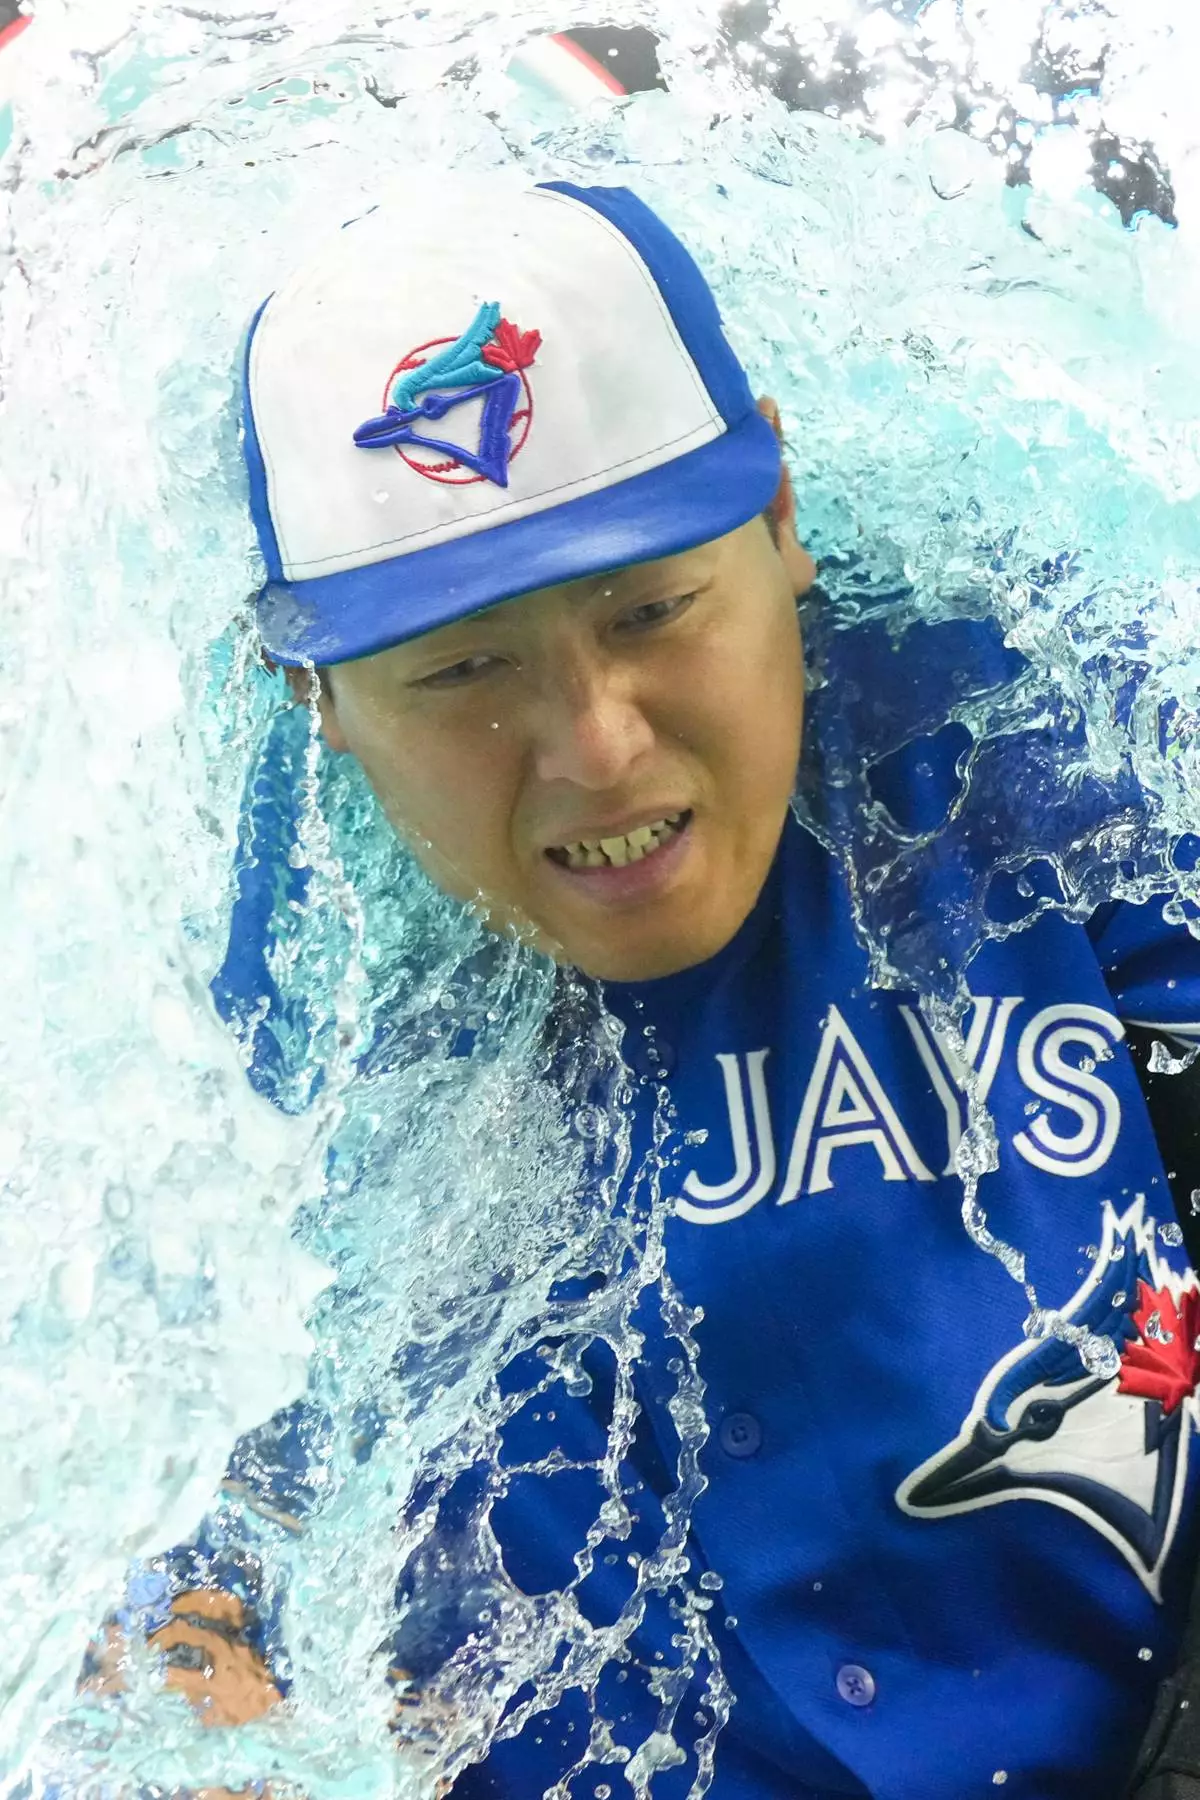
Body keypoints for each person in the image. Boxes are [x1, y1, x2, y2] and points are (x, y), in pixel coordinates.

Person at [115, 174, 1200, 1798]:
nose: (597, 747)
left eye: (652, 611)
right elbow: (156, 1560)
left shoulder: (1056, 744)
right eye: (464, 669)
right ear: (311, 693)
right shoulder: (206, 995)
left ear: (782, 519)